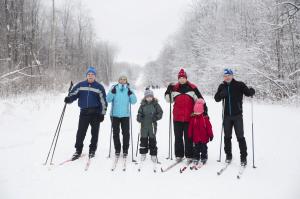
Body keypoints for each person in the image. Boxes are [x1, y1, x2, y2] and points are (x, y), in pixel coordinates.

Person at [164, 68, 208, 164]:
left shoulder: (192, 87)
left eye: (183, 77)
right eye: (180, 78)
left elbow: (200, 100)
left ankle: (189, 155)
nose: (182, 79)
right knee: (178, 137)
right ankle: (179, 155)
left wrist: (204, 111)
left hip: (189, 117)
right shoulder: (174, 88)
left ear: (186, 78)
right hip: (177, 117)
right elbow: (168, 100)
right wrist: (168, 90)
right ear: (178, 78)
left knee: (188, 137)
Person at [214, 68, 255, 166]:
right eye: (225, 76)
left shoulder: (239, 85)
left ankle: (243, 157)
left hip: (237, 116)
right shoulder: (222, 86)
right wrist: (221, 94)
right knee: (227, 137)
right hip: (227, 116)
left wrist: (251, 91)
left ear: (232, 76)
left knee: (240, 137)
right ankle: (228, 155)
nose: (227, 77)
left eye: (228, 75)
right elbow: (216, 98)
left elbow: (248, 93)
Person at [64, 66, 107, 160]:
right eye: (89, 74)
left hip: (96, 113)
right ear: (86, 75)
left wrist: (102, 114)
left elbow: (103, 101)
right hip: (84, 113)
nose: (90, 76)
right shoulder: (80, 85)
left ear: (95, 76)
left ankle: (92, 150)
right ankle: (78, 150)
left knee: (95, 133)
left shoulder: (99, 87)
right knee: (80, 133)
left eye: (92, 74)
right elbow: (73, 94)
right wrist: (68, 99)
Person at [106, 75, 137, 160]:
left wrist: (131, 94)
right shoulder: (114, 88)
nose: (123, 80)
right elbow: (108, 100)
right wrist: (112, 92)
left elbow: (134, 101)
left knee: (126, 133)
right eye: (121, 79)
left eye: (124, 79)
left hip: (125, 115)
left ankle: (125, 150)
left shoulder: (129, 89)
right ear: (118, 80)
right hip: (114, 115)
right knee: (116, 133)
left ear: (126, 80)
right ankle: (117, 149)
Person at [137, 88, 163, 163]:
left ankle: (153, 154)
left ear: (153, 97)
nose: (149, 98)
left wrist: (155, 117)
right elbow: (139, 113)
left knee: (152, 140)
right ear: (145, 97)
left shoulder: (155, 104)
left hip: (152, 125)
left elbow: (160, 113)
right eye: (147, 97)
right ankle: (143, 153)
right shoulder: (142, 105)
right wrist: (139, 117)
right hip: (144, 125)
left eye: (150, 96)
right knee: (143, 139)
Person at [188, 98, 213, 167]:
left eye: (198, 113)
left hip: (204, 138)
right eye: (196, 112)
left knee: (203, 148)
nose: (197, 114)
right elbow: (190, 128)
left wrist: (211, 135)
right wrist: (190, 135)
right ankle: (196, 157)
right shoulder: (193, 118)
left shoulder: (205, 118)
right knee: (196, 148)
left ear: (202, 111)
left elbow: (209, 127)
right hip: (196, 138)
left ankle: (204, 157)